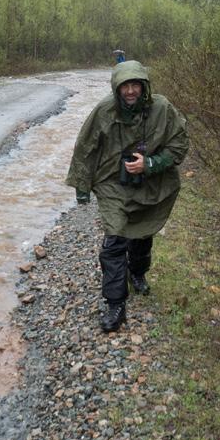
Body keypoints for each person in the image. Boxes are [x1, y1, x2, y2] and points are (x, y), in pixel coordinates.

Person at [66, 60, 189, 332]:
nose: (131, 91)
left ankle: (138, 272)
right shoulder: (104, 110)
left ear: (144, 87)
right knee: (115, 238)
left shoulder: (162, 108)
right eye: (125, 86)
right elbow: (85, 147)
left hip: (150, 183)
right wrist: (82, 187)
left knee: (143, 231)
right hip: (112, 183)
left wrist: (151, 164)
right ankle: (115, 303)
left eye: (136, 85)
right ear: (117, 89)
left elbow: (180, 144)